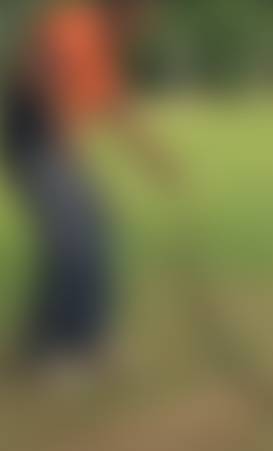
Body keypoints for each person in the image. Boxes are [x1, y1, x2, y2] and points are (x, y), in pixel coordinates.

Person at [1, 0, 173, 377]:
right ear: (125, 10)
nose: (150, 24)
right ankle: (55, 352)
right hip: (32, 142)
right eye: (148, 14)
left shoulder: (106, 45)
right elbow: (42, 82)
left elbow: (117, 107)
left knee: (98, 229)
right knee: (74, 242)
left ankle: (87, 340)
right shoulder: (75, 30)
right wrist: (63, 150)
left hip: (55, 145)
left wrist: (155, 158)